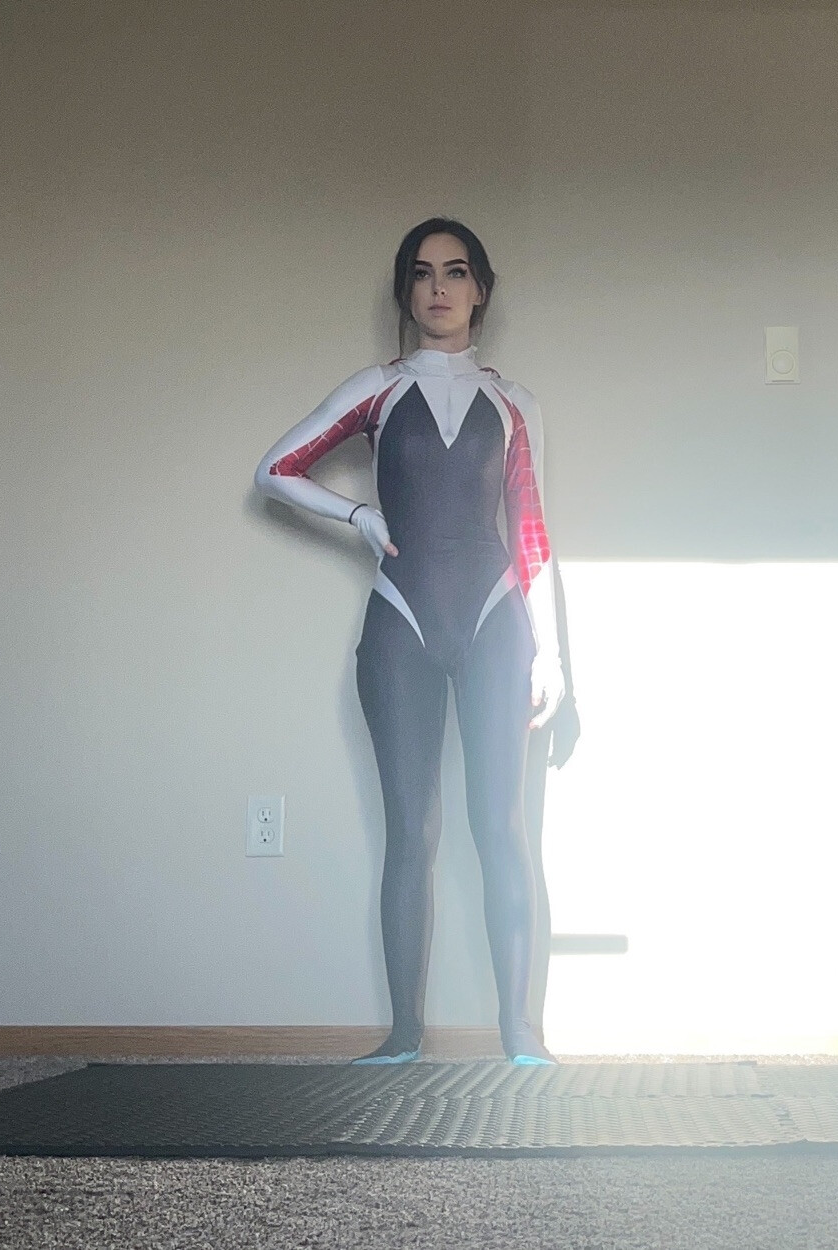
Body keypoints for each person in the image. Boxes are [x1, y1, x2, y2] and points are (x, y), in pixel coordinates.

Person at [253, 217, 564, 1065]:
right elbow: (274, 470)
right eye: (422, 274)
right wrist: (358, 516)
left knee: (501, 828)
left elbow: (532, 534)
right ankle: (403, 1035)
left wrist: (556, 659)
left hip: (498, 621)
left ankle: (520, 1033)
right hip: (402, 619)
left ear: (480, 290)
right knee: (410, 833)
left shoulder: (516, 403)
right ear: (406, 291)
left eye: (456, 272)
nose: (439, 288)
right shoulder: (379, 390)